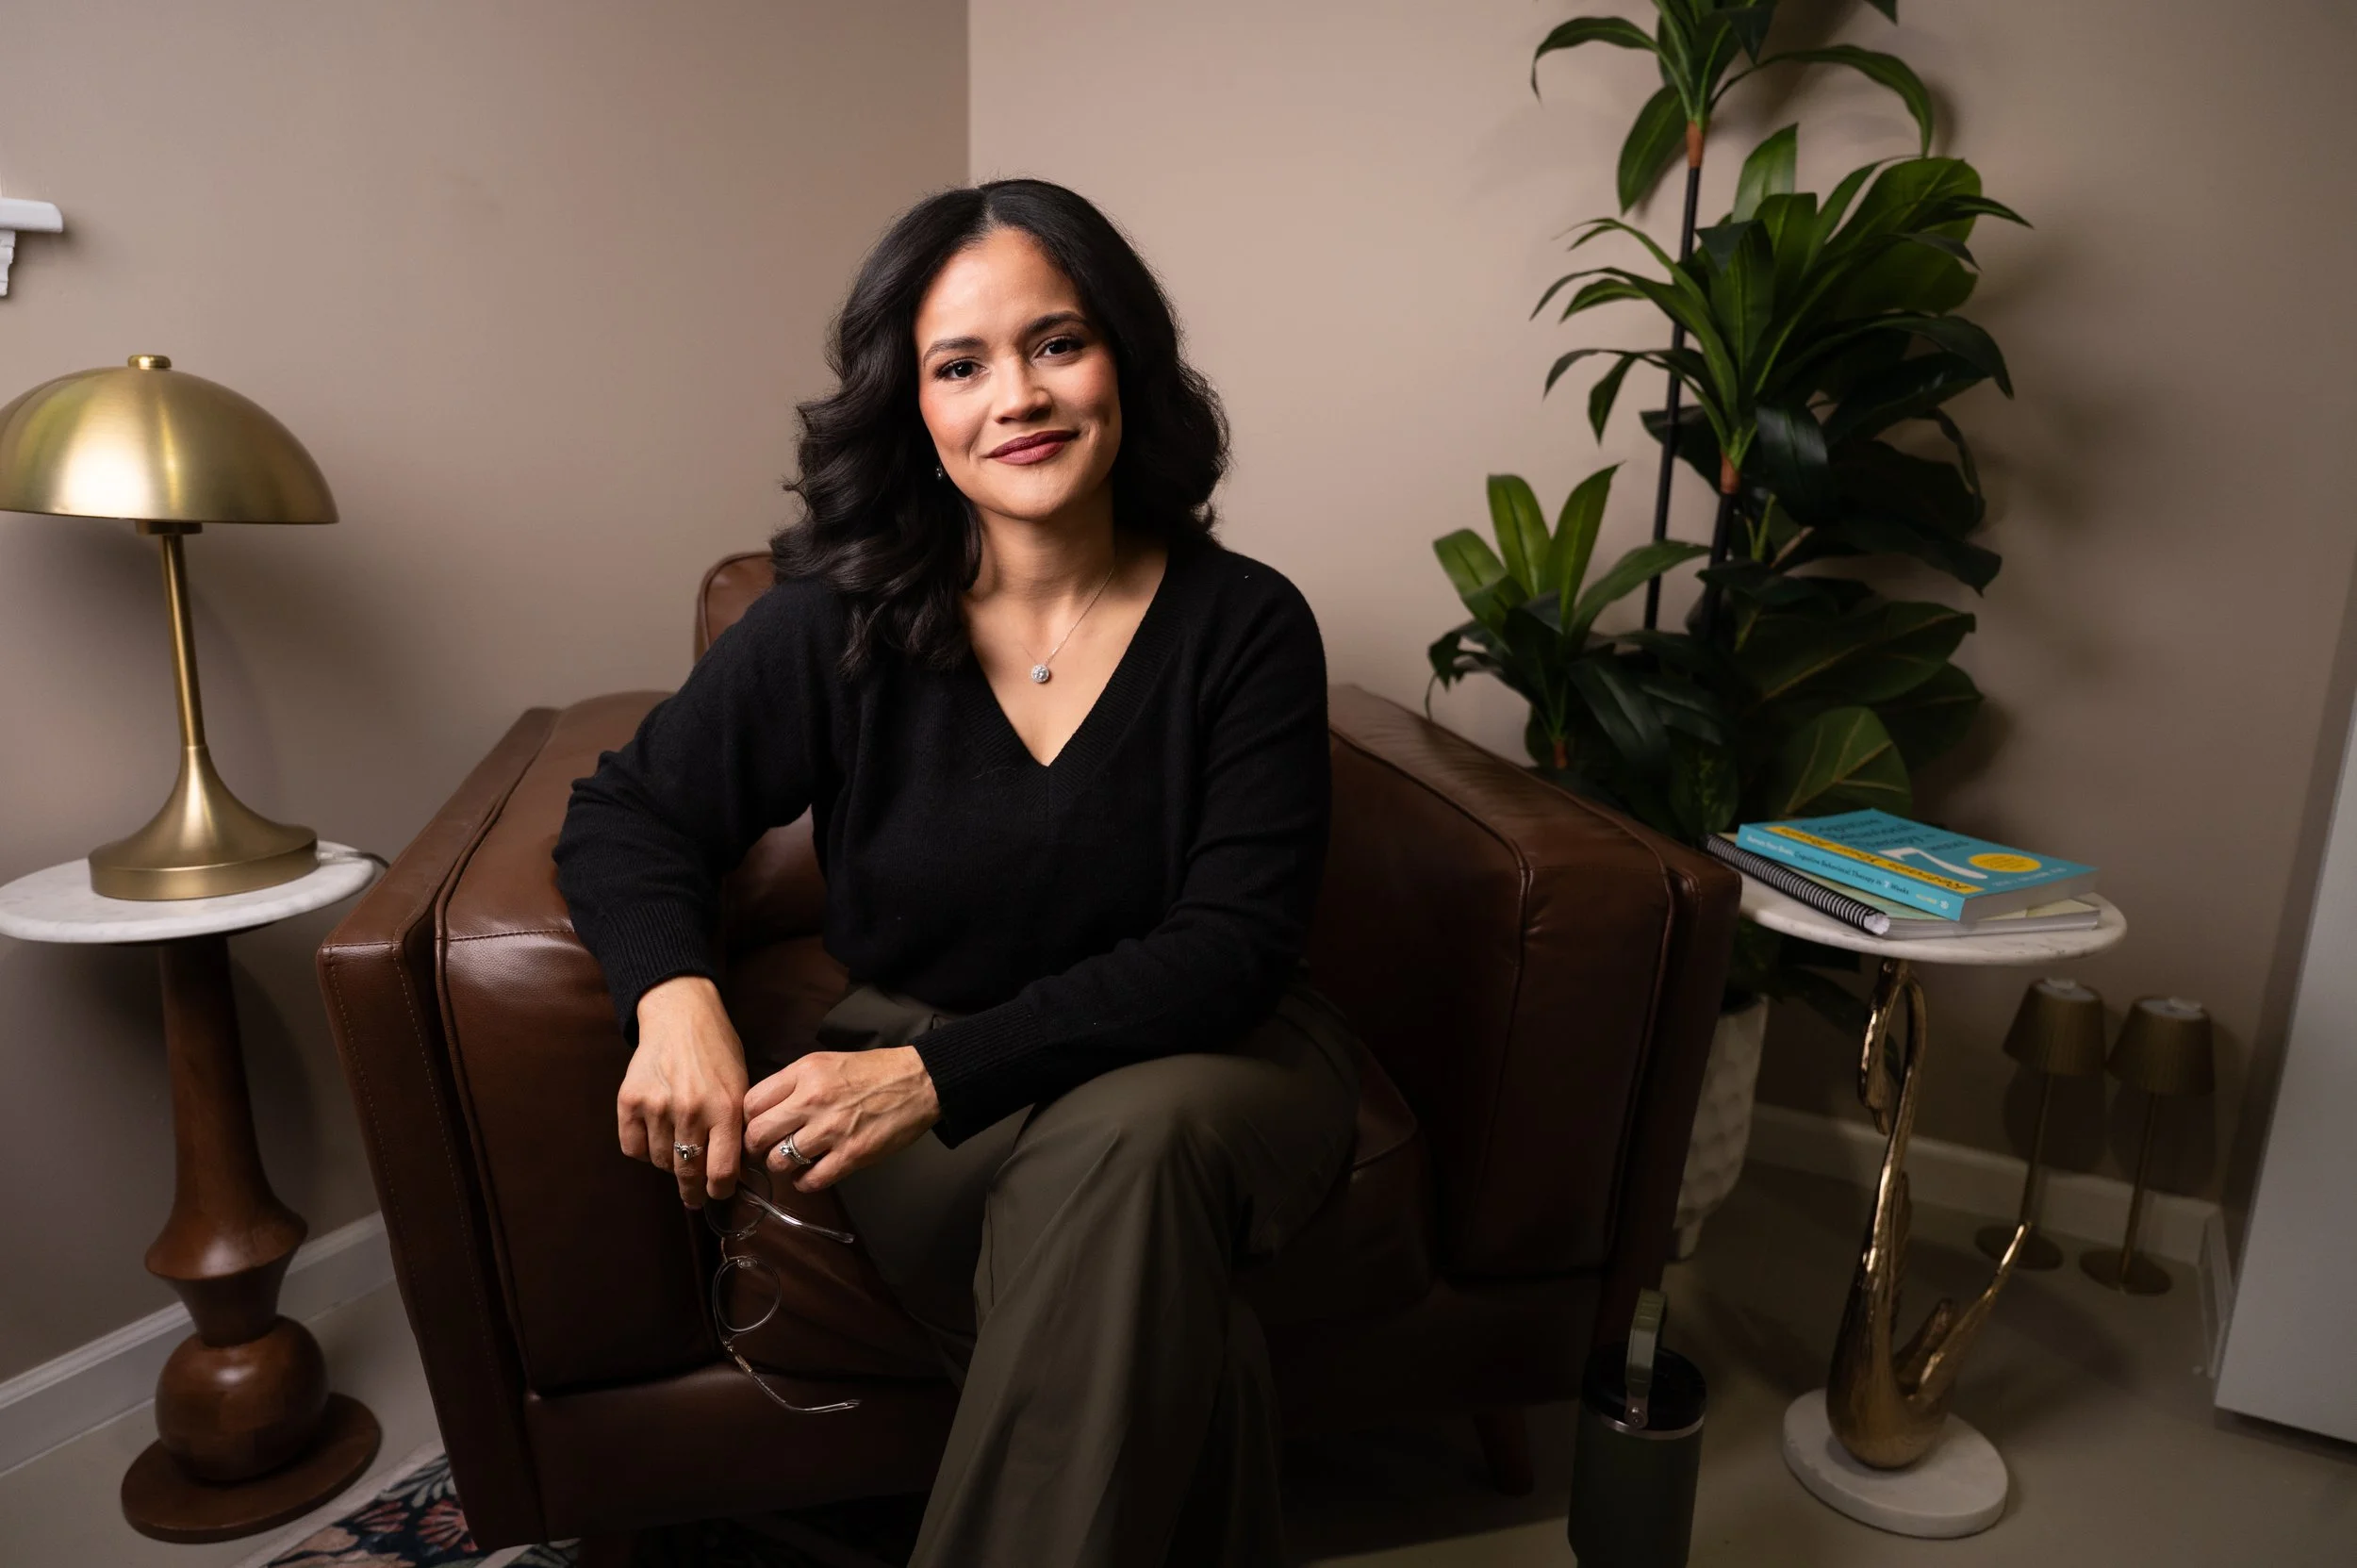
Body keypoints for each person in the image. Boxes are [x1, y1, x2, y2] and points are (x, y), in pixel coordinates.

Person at [552, 178, 1362, 1568]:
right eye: (961, 363)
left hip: (1213, 1058)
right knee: (1162, 1309)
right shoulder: (837, 623)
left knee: (1138, 1138)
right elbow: (627, 814)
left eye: (1059, 342)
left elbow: (1231, 948)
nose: (1019, 397)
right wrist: (676, 997)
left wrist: (934, 1079)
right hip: (926, 1088)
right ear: (913, 409)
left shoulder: (1247, 626)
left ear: (1127, 363)